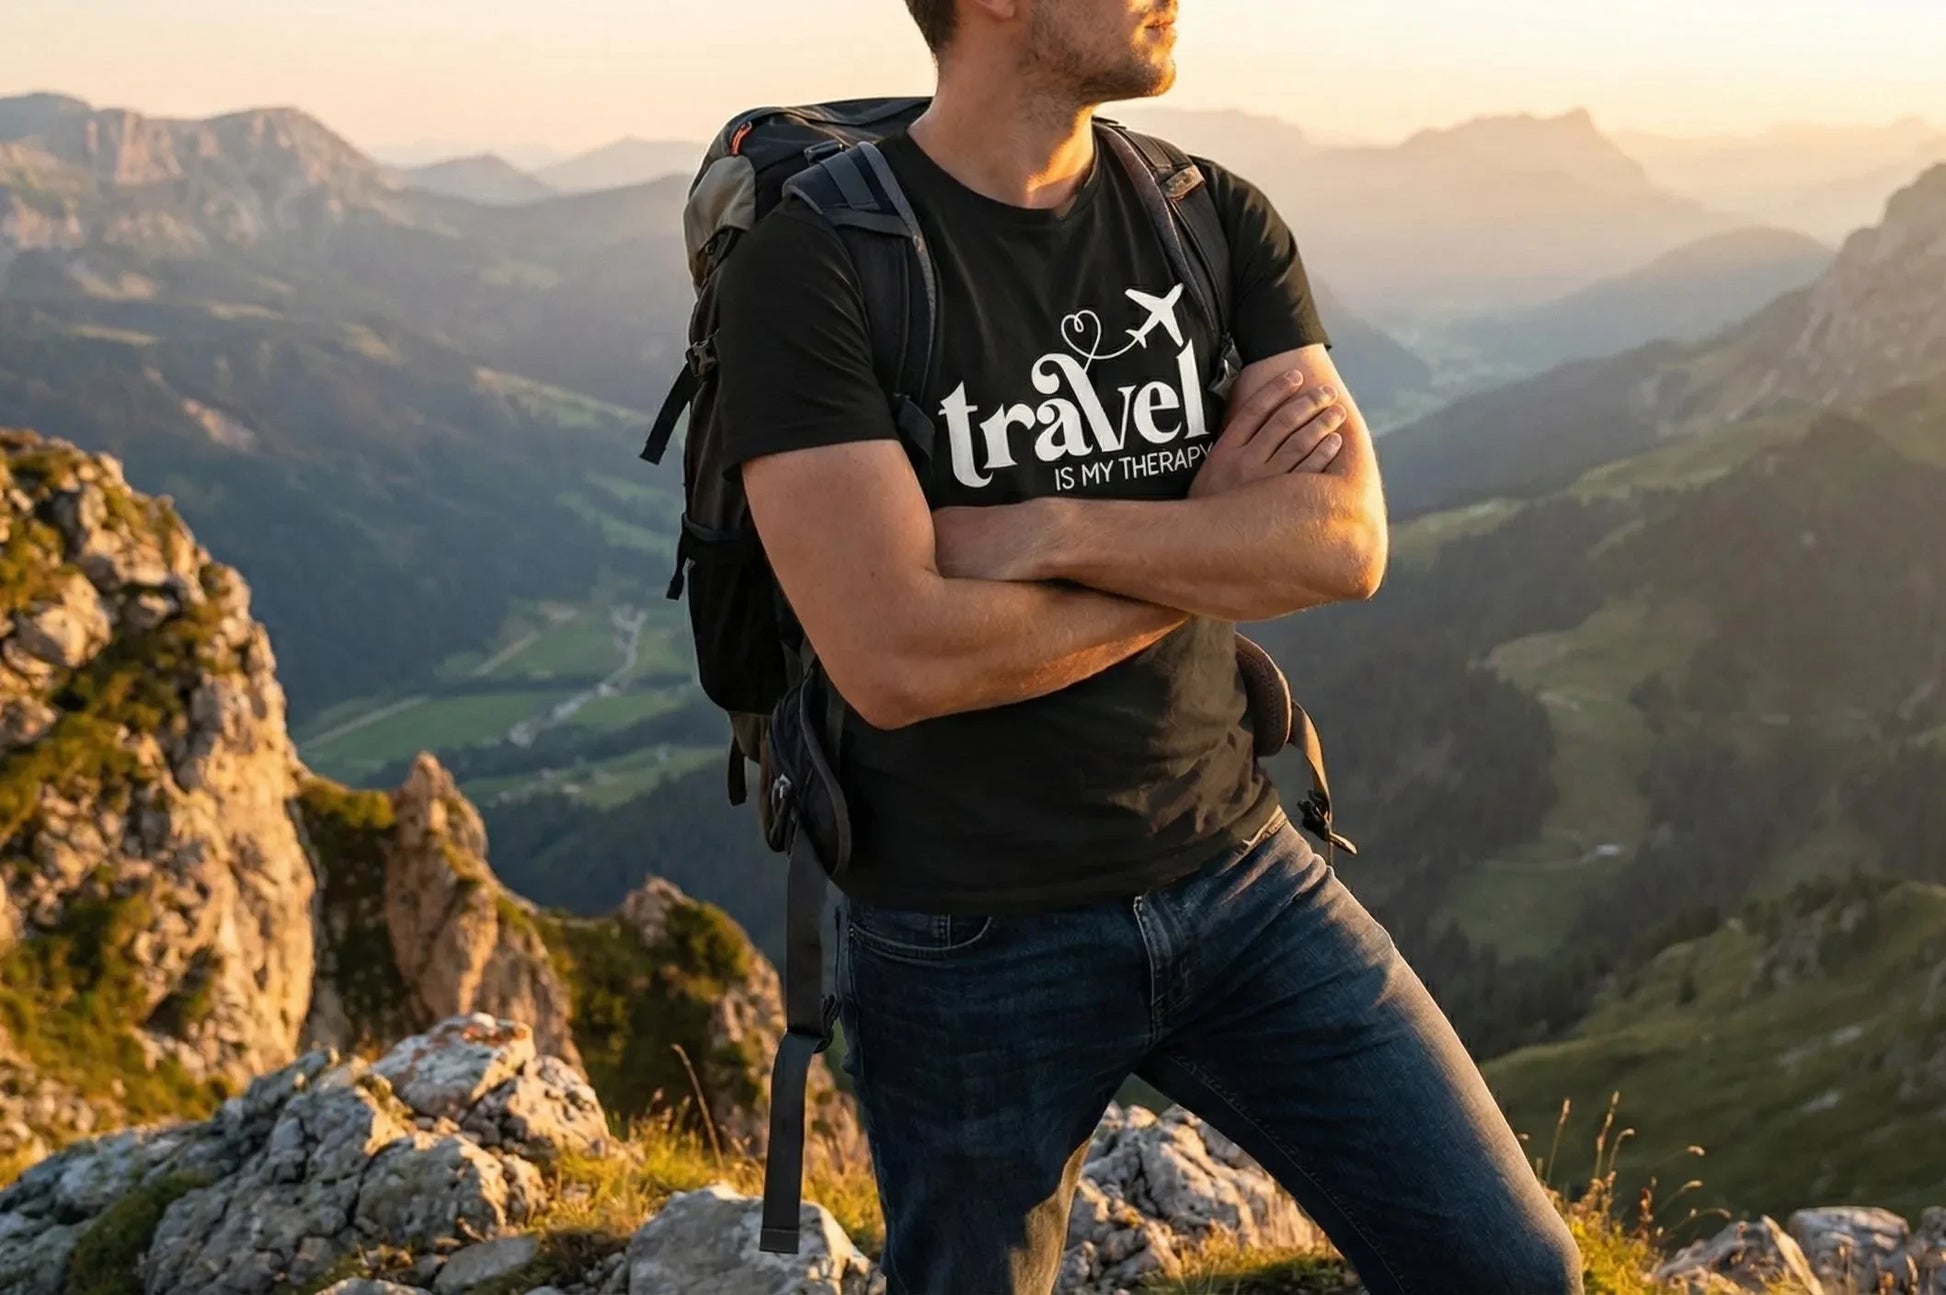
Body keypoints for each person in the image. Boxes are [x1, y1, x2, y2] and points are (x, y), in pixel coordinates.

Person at [712, 2, 1584, 1291]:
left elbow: (1344, 543)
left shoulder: (1209, 216)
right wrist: (1206, 536)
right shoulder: (817, 264)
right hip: (965, 935)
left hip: (1242, 876)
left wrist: (1051, 528)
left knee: (1513, 1271)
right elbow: (896, 662)